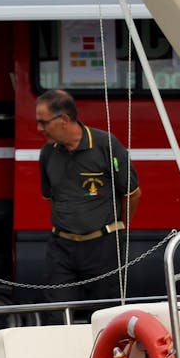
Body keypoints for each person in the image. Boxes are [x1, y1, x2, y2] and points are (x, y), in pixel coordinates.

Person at [35, 88, 141, 310]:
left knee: (105, 315)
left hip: (103, 247)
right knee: (57, 316)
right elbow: (50, 197)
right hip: (61, 248)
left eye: (44, 122)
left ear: (64, 119)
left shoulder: (106, 145)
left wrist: (119, 228)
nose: (39, 129)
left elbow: (132, 193)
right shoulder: (47, 153)